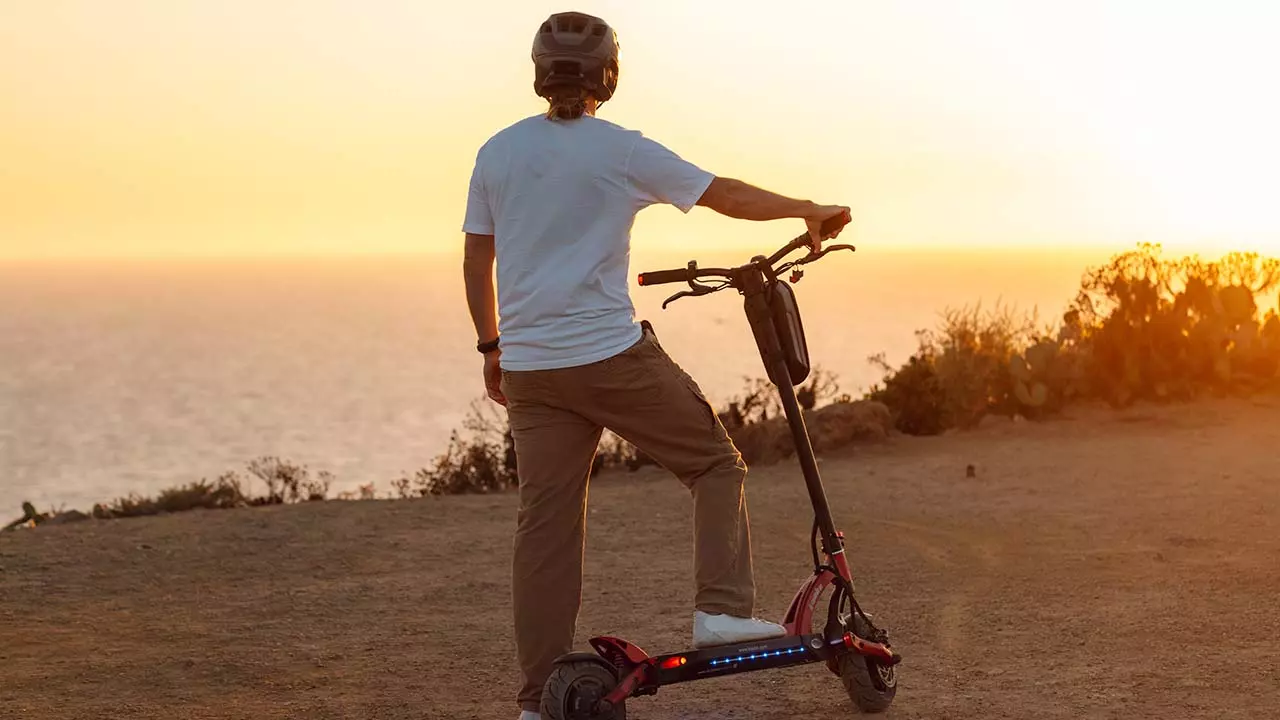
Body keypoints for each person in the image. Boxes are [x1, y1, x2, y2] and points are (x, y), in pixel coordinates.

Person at [460, 12, 850, 719]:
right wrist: (806, 210)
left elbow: (476, 256)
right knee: (714, 462)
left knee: (545, 529)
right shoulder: (621, 151)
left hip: (532, 370)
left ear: (539, 72)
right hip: (610, 358)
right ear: (609, 74)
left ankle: (535, 703)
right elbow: (720, 194)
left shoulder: (498, 152)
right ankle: (723, 611)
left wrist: (492, 347)